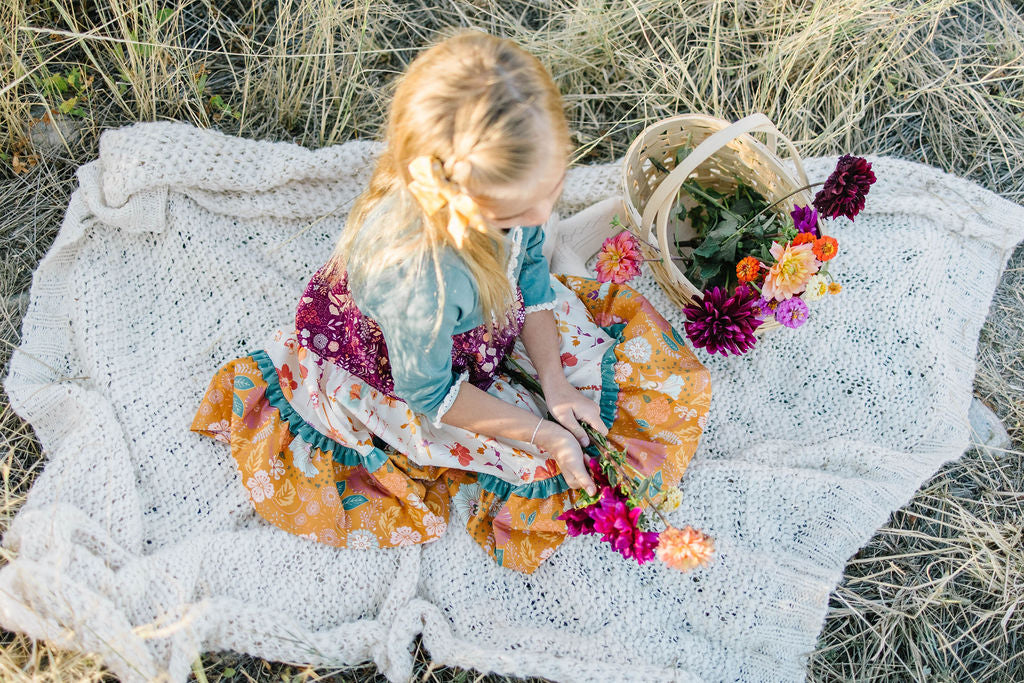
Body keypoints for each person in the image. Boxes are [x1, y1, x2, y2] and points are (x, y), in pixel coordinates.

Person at [190, 28, 712, 574]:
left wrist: (555, 386)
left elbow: (530, 274)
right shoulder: (419, 279)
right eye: (515, 212)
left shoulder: (510, 209)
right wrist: (544, 431)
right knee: (534, 460)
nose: (538, 217)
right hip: (406, 373)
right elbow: (432, 395)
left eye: (552, 186)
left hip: (481, 321)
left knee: (590, 363)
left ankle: (543, 357)